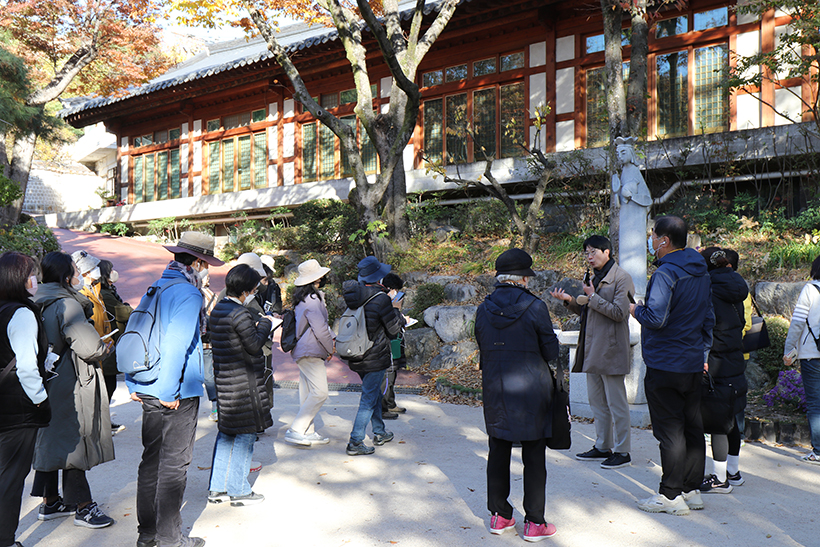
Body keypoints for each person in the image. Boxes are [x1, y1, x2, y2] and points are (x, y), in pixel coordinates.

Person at [127, 231, 223, 547]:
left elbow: (136, 331)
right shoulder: (188, 293)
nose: (208, 270)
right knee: (174, 465)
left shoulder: (157, 287)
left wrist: (133, 381)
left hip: (147, 383)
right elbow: (176, 345)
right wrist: (169, 392)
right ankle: (171, 539)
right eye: (206, 263)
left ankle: (148, 535)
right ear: (197, 262)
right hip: (175, 390)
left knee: (151, 462)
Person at [630, 216, 714, 516]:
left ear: (664, 240)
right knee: (692, 427)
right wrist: (702, 353)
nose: (651, 241)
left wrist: (635, 309)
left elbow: (656, 318)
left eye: (653, 236)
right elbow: (708, 319)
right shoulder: (701, 271)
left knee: (669, 431)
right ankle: (691, 490)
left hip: (665, 362)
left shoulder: (666, 274)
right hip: (691, 361)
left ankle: (669, 496)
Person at [475, 248, 560, 541]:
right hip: (531, 389)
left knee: (498, 449)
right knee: (534, 454)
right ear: (524, 278)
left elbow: (483, 346)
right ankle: (534, 522)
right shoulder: (535, 307)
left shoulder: (483, 307)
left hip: (496, 388)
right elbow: (550, 350)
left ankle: (499, 516)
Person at [30, 251, 115, 529]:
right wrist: (104, 347)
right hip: (69, 381)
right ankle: (83, 507)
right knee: (73, 441)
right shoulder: (68, 304)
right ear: (67, 276)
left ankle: (50, 501)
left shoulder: (34, 301)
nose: (79, 277)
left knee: (49, 438)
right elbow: (90, 348)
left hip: (42, 380)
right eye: (75, 272)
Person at [550, 235, 635, 470]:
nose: (589, 257)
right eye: (586, 253)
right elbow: (590, 310)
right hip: (591, 347)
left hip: (611, 348)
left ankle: (623, 451)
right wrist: (569, 300)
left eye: (593, 252)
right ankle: (602, 445)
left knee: (616, 403)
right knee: (597, 402)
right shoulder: (592, 278)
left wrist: (592, 296)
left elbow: (620, 313)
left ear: (607, 252)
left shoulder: (622, 278)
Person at [207, 264, 272, 506]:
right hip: (243, 383)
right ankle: (238, 489)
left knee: (226, 434)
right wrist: (266, 324)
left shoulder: (219, 310)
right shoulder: (241, 314)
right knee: (246, 435)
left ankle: (217, 487)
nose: (255, 293)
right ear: (245, 291)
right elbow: (254, 345)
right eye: (254, 289)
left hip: (224, 380)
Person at [0, 252, 51, 547]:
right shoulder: (21, 312)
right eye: (32, 274)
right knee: (9, 479)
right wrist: (41, 401)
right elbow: (27, 367)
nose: (36, 280)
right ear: (20, 278)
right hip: (17, 408)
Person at [340, 256, 404, 456]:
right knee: (368, 398)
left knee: (374, 392)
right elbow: (393, 330)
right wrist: (398, 314)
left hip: (356, 354)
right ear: (379, 277)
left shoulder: (354, 296)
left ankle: (379, 432)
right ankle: (355, 441)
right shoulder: (381, 298)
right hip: (375, 356)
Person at [697, 247, 748, 493]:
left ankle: (720, 479)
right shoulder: (737, 288)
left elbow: (704, 325)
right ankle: (734, 473)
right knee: (731, 420)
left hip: (715, 361)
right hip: (736, 359)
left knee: (718, 421)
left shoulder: (708, 289)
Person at [284, 259, 335, 447]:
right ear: (317, 279)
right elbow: (321, 329)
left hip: (303, 350)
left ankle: (308, 430)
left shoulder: (302, 299)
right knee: (320, 392)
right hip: (311, 350)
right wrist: (330, 348)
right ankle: (297, 429)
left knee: (307, 392)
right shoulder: (313, 300)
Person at [783, 255, 820, 465]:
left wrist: (789, 350)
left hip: (812, 354)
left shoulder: (810, 289)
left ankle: (818, 451)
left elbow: (797, 323)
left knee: (816, 404)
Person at [98, 259, 132, 432]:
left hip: (111, 341)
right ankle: (102, 422)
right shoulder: (104, 293)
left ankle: (104, 420)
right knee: (107, 384)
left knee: (108, 384)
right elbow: (125, 312)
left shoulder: (109, 291)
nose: (114, 273)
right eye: (111, 270)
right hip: (107, 343)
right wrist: (126, 307)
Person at [381, 272, 407, 419]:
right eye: (396, 290)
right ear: (390, 289)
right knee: (387, 378)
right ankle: (384, 408)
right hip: (387, 345)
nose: (397, 294)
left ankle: (390, 404)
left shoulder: (387, 302)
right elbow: (392, 326)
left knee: (392, 374)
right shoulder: (384, 303)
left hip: (395, 344)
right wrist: (396, 309)